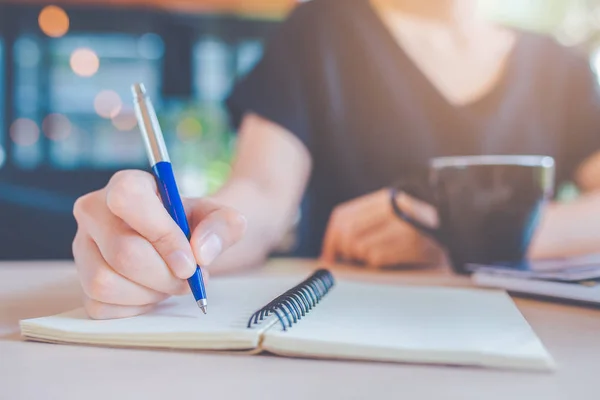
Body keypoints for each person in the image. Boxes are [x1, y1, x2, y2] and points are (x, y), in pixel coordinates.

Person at [72, 0, 600, 319]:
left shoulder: (563, 69)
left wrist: (457, 233)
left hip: (532, 334)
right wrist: (176, 235)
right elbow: (260, 195)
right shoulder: (320, 32)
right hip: (344, 337)